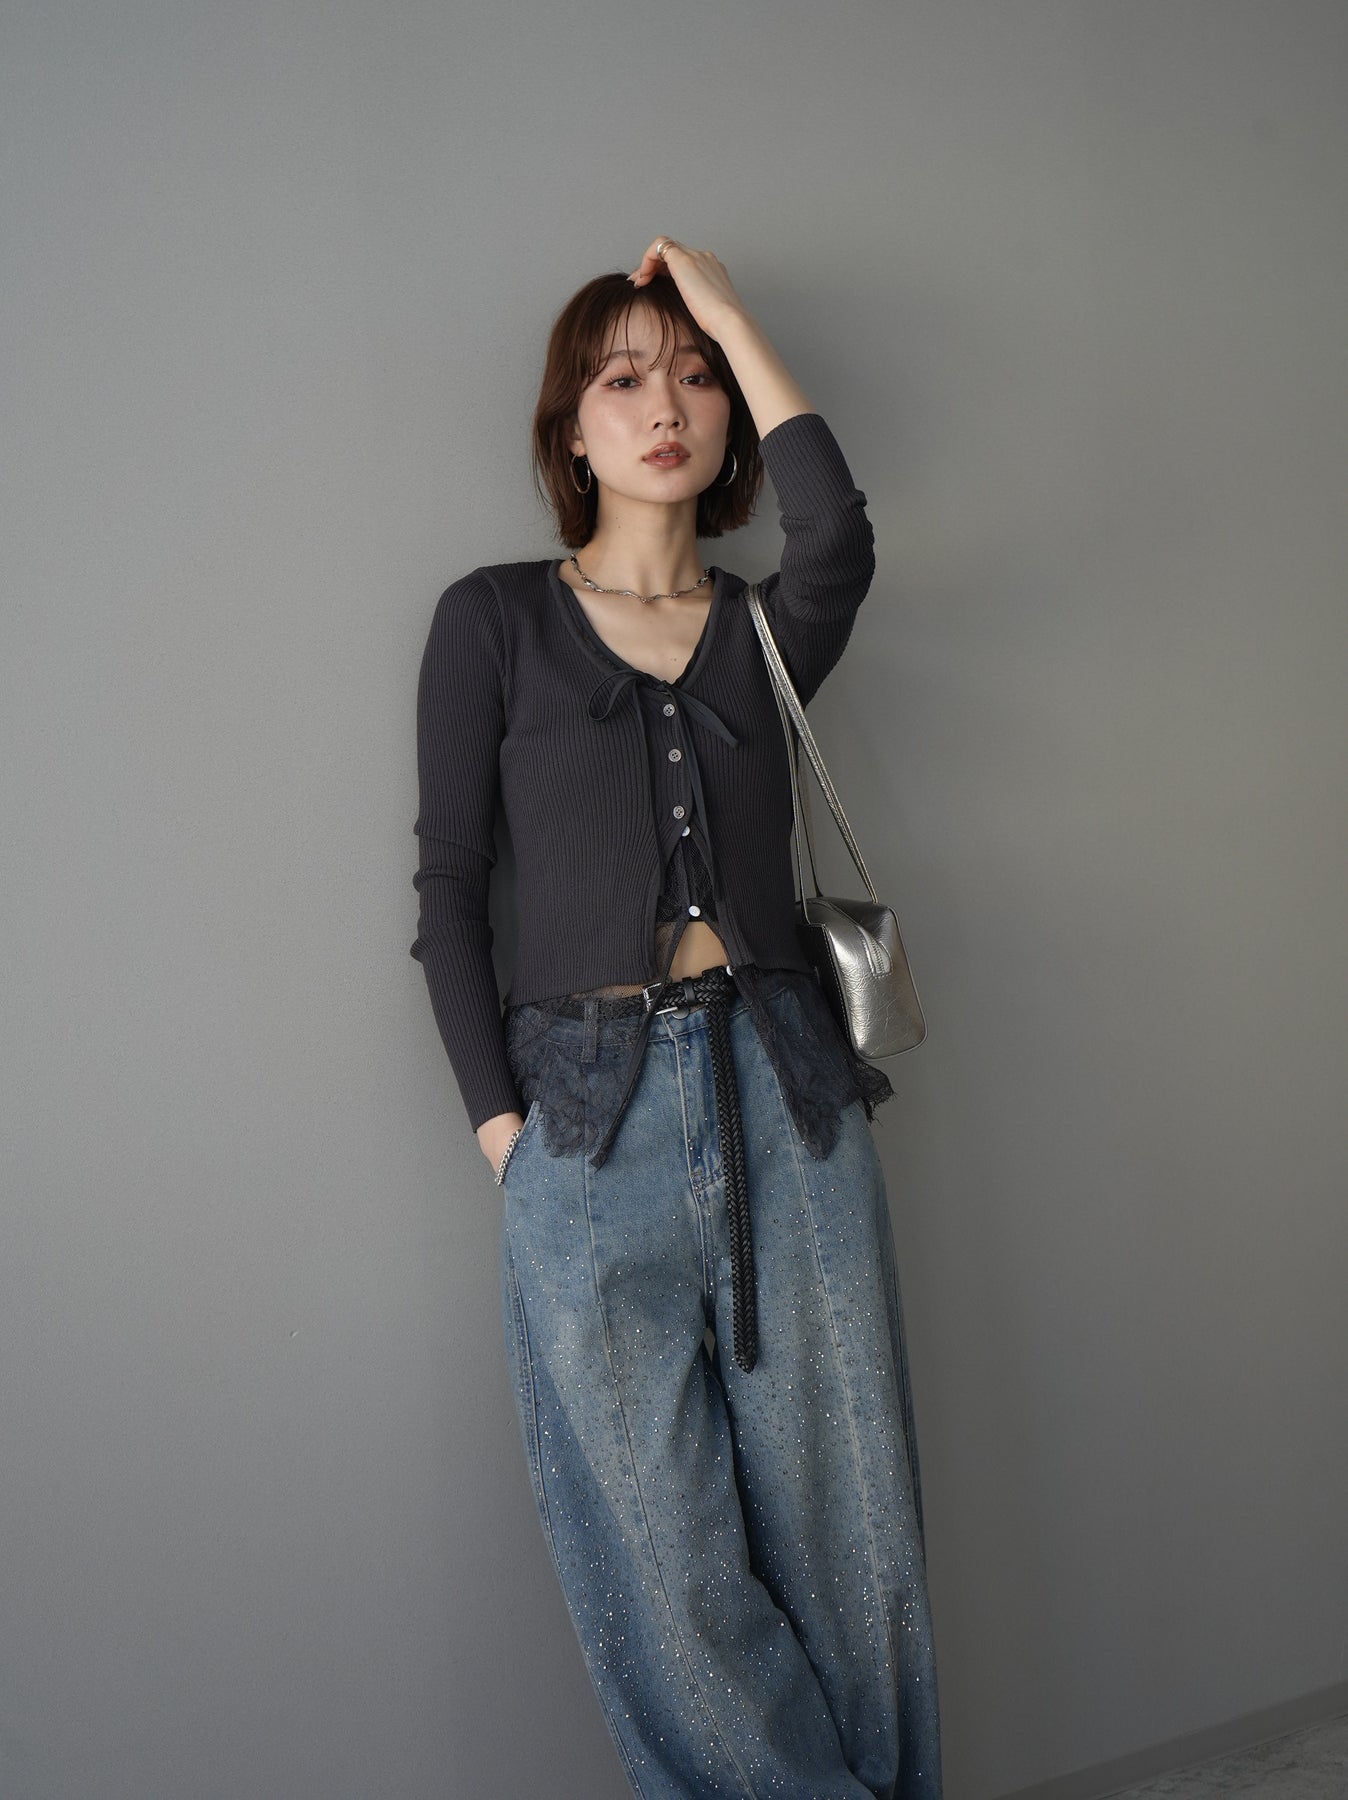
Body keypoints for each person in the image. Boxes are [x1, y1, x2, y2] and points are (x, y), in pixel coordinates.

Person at [411, 238, 942, 1797]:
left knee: (857, 1539)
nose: (667, 406)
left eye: (694, 378)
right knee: (662, 1565)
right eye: (625, 379)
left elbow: (836, 529)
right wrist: (505, 1134)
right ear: (570, 431)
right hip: (585, 1127)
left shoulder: (769, 634)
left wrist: (727, 311)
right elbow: (450, 889)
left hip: (793, 1102)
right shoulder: (492, 621)